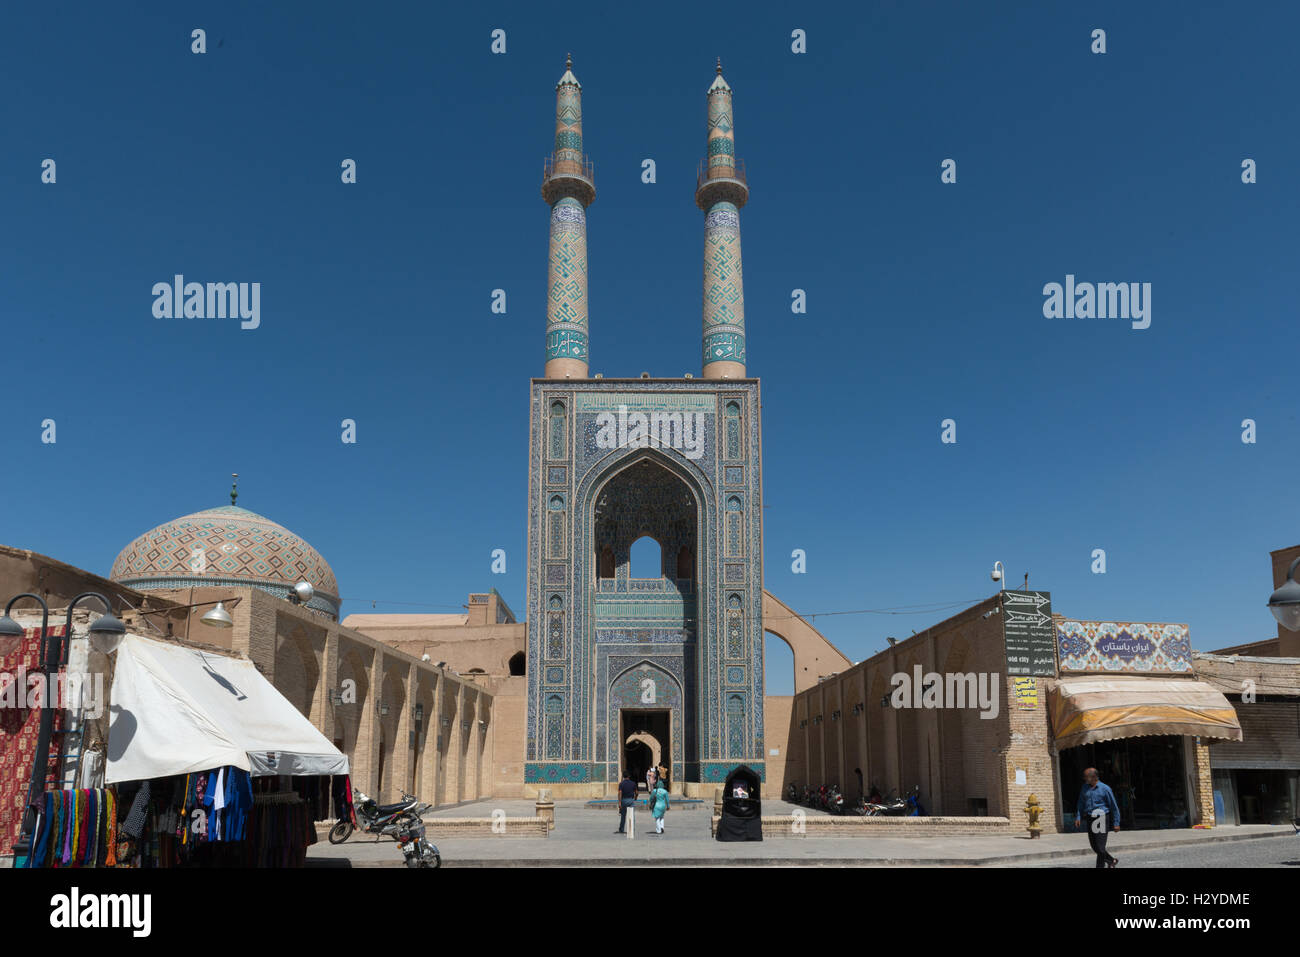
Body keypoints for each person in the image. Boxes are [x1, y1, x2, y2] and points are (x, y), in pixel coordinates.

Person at [1075, 767, 1121, 868]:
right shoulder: (1084, 787)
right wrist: (1078, 816)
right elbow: (1081, 803)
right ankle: (1111, 860)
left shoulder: (1105, 789)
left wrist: (1116, 823)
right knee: (1094, 846)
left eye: (1086, 776)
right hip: (1090, 818)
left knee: (1100, 847)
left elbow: (1114, 807)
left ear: (1094, 777)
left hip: (1102, 818)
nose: (1084, 778)